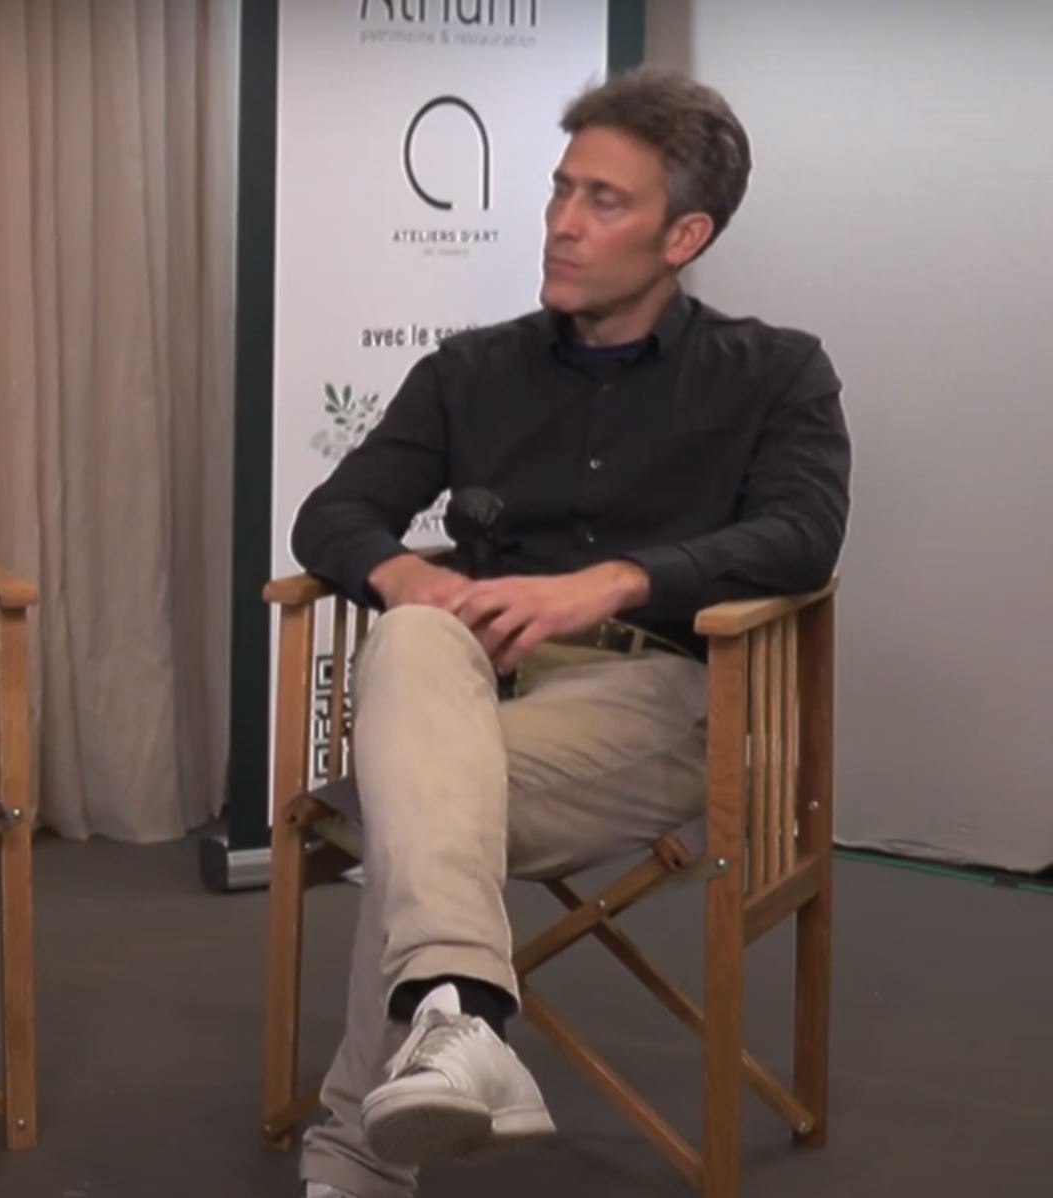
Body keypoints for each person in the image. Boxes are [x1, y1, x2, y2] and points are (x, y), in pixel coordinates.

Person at [287, 68, 850, 1198]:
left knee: (412, 807)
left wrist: (609, 584)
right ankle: (464, 1018)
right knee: (410, 646)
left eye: (604, 200)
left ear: (683, 233)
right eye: (559, 189)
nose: (559, 221)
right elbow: (331, 515)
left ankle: (357, 1146)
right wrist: (407, 575)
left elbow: (801, 537)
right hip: (474, 697)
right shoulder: (469, 371)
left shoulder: (774, 370)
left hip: (666, 704)